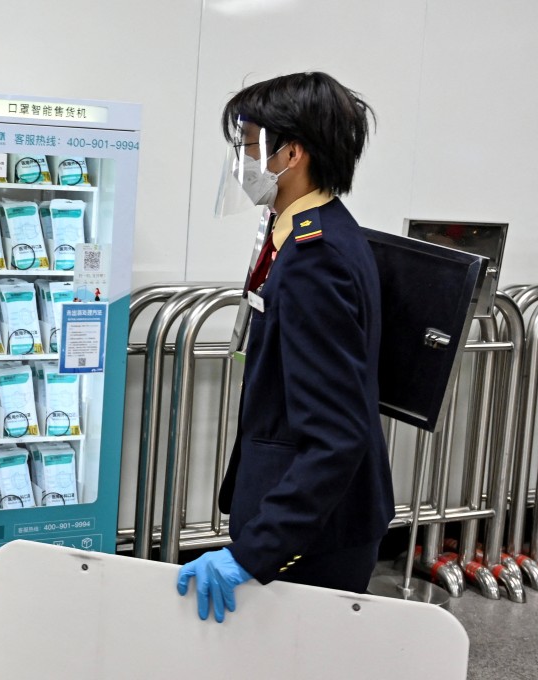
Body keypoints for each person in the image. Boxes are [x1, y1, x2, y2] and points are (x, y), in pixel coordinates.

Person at [176, 72, 394, 622]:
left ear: (291, 152)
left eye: (249, 144)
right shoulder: (316, 232)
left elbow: (337, 434)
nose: (242, 160)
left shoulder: (314, 258)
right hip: (311, 523)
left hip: (312, 539)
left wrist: (255, 553)